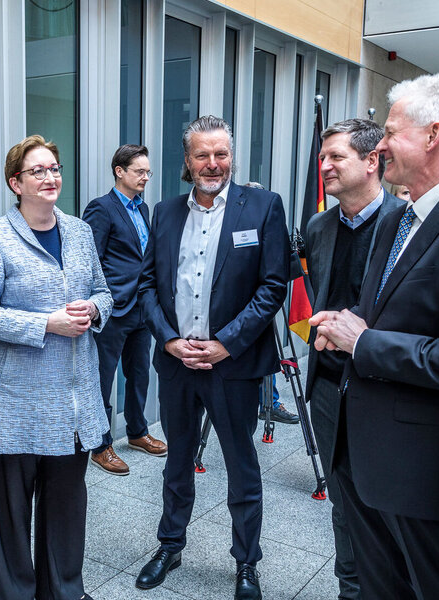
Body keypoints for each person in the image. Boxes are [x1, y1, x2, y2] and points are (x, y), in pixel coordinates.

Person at [310, 73, 439, 600]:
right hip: (360, 451)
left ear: (432, 136)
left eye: (389, 131)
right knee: (381, 587)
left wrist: (362, 342)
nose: (379, 144)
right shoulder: (398, 218)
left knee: (435, 589)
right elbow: (375, 311)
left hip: (419, 466)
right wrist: (339, 328)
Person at [135, 115, 289, 600]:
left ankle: (246, 563)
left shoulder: (263, 206)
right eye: (202, 154)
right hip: (178, 364)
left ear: (232, 155)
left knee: (242, 466)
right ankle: (170, 545)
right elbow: (146, 285)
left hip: (234, 366)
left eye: (220, 153)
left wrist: (226, 343)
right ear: (186, 160)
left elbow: (273, 286)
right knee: (177, 460)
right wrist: (168, 340)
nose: (212, 163)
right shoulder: (164, 212)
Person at [0, 135, 111, 600]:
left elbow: (104, 291)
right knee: (10, 518)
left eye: (54, 168)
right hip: (15, 403)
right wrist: (46, 322)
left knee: (66, 509)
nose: (50, 178)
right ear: (15, 183)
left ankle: (63, 591)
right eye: (38, 171)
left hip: (72, 399)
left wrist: (94, 309)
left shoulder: (80, 232)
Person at [304, 118, 405, 599]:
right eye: (322, 157)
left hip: (382, 390)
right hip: (327, 389)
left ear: (372, 161)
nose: (324, 166)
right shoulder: (319, 227)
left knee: (387, 508)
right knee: (343, 504)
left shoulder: (409, 226)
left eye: (335, 157)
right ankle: (351, 589)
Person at [82, 144, 167, 476]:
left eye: (148, 172)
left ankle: (137, 432)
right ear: (120, 171)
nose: (146, 177)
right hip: (114, 308)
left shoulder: (143, 209)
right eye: (140, 171)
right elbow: (90, 262)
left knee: (140, 374)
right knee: (103, 378)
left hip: (143, 307)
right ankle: (100, 446)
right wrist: (100, 301)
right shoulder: (101, 209)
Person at [242, 181, 298, 426]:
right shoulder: (235, 225)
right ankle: (245, 404)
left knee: (267, 352)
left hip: (264, 304)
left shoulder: (272, 226)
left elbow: (284, 270)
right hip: (239, 308)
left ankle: (271, 403)